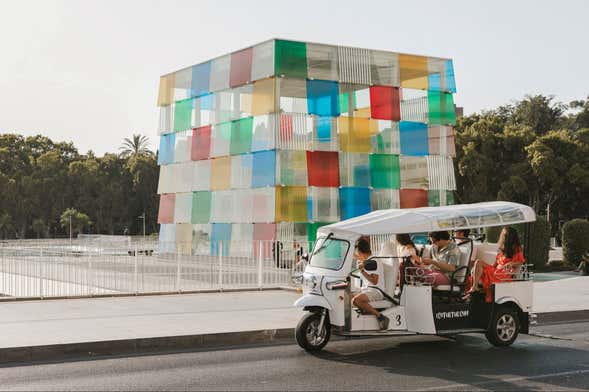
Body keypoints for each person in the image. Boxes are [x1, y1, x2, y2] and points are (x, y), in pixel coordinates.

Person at [466, 226, 525, 301]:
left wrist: (511, 263)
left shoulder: (516, 248)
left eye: (503, 234)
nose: (501, 236)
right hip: (496, 271)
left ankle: (474, 287)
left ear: (508, 237)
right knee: (476, 266)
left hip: (502, 275)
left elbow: (520, 261)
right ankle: (473, 292)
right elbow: (495, 264)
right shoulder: (502, 248)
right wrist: (488, 268)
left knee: (478, 263)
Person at [351, 237, 390, 330]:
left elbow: (374, 281)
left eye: (358, 252)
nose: (358, 255)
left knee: (356, 300)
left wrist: (362, 271)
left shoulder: (374, 261)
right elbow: (358, 257)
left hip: (376, 291)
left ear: (361, 251)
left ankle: (380, 316)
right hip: (367, 289)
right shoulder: (368, 260)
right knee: (346, 295)